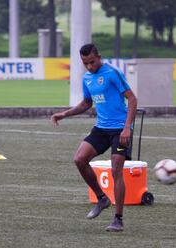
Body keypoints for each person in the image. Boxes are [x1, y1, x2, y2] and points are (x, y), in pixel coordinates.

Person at [50, 43, 137, 232]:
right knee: (79, 159)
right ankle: (102, 198)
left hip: (119, 130)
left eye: (91, 62)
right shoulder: (87, 78)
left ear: (99, 57)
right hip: (101, 128)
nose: (89, 67)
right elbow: (87, 103)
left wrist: (127, 128)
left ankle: (118, 219)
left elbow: (132, 99)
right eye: (85, 63)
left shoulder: (112, 74)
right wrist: (64, 114)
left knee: (116, 170)